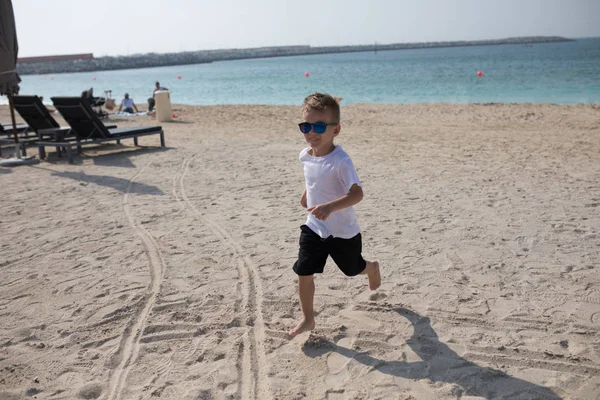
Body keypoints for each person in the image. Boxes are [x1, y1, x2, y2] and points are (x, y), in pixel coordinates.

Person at [289, 92, 381, 338]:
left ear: (336, 130)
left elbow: (357, 194)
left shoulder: (342, 161)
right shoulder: (305, 155)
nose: (311, 132)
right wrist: (307, 194)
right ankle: (308, 318)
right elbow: (314, 178)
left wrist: (330, 207)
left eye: (319, 126)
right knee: (303, 270)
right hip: (315, 227)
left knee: (352, 269)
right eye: (306, 126)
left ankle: (371, 268)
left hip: (342, 231)